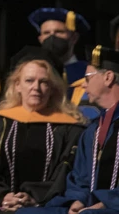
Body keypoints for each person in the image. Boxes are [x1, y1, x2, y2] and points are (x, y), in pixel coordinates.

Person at [0, 45, 87, 214]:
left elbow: (70, 177)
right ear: (17, 86)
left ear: (52, 88)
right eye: (29, 81)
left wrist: (35, 197)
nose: (35, 88)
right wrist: (2, 196)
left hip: (46, 209)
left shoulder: (70, 130)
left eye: (43, 82)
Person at [17, 45, 119, 214]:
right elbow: (80, 177)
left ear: (108, 77)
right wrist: (77, 201)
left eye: (87, 78)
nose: (83, 86)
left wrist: (103, 204)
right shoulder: (93, 129)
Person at [28, 7, 100, 120]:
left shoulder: (87, 73)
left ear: (74, 37)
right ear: (40, 39)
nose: (52, 37)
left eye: (59, 32)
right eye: (46, 33)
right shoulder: (32, 73)